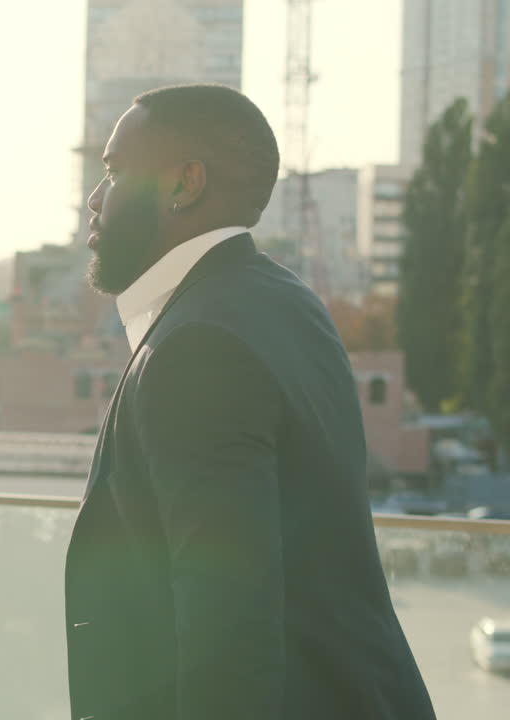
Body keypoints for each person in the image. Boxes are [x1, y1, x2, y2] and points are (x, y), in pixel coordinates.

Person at [64, 84, 435, 720]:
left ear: (186, 184)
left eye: (115, 171)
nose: (94, 201)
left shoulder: (198, 349)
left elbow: (229, 639)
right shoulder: (285, 302)